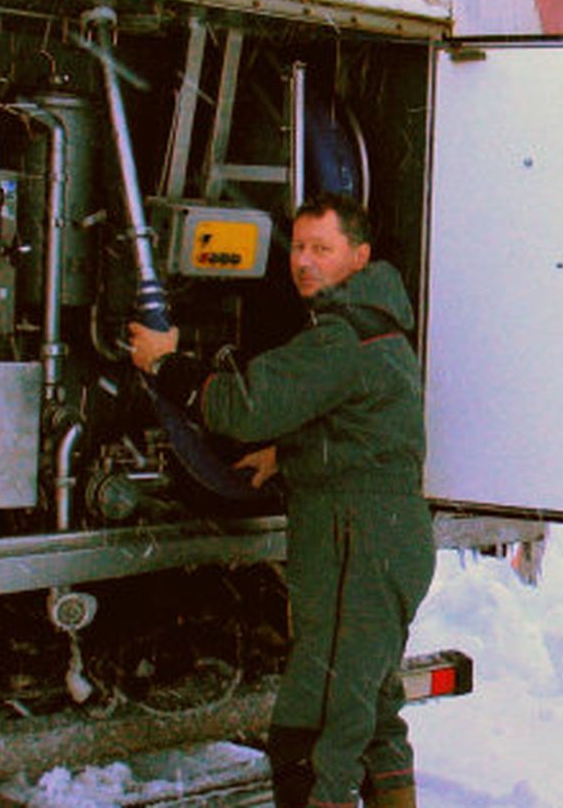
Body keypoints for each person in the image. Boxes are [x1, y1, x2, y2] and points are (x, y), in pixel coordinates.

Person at [130, 193, 434, 808]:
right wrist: (286, 454)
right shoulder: (377, 326)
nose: (304, 262)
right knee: (370, 716)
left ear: (360, 255)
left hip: (357, 544)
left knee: (312, 729)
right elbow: (363, 428)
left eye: (322, 249)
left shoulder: (340, 339)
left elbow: (245, 406)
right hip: (386, 538)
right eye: (297, 247)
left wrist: (166, 366)